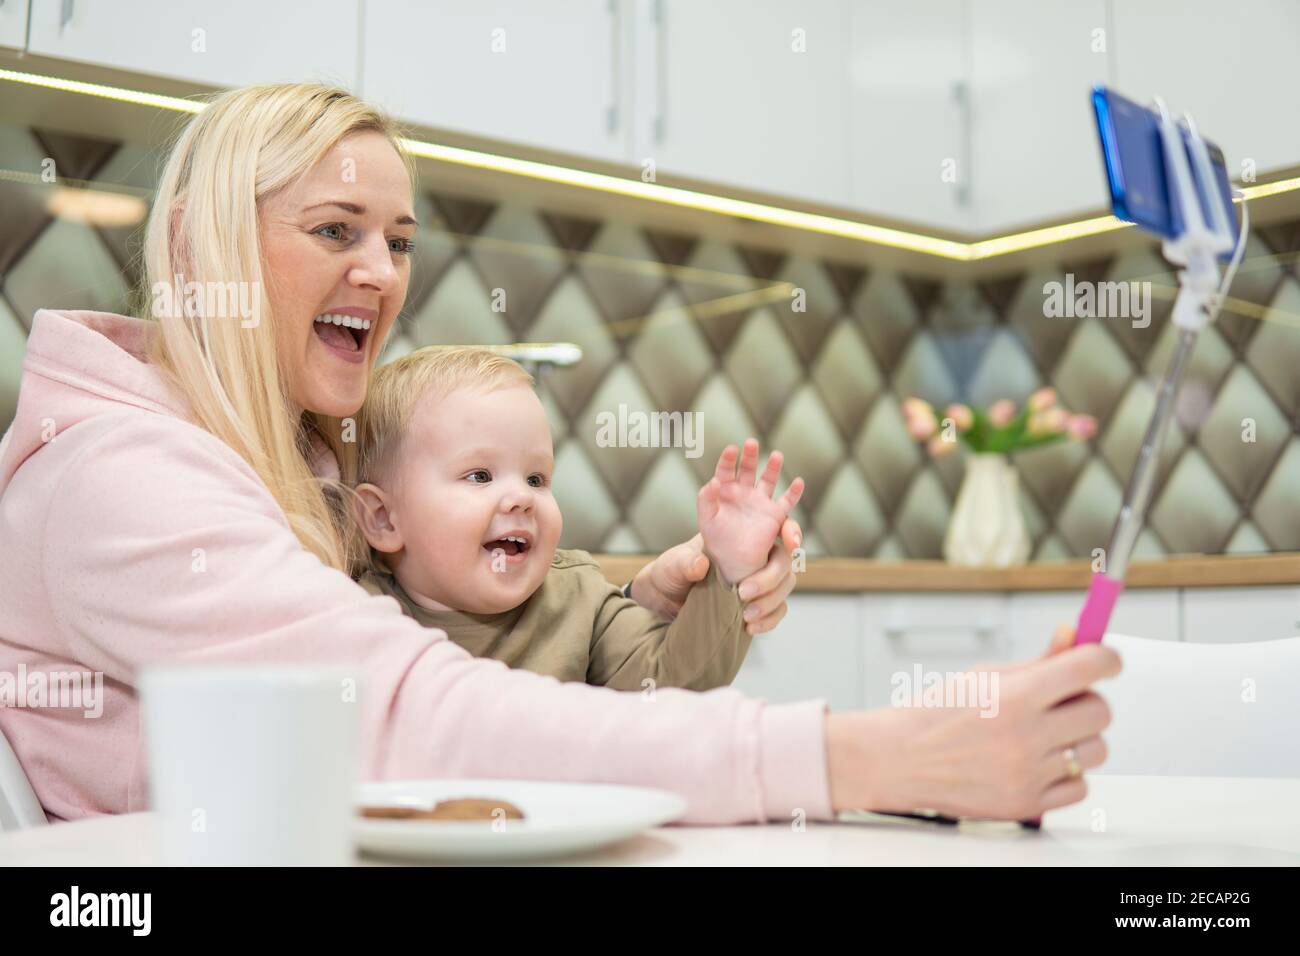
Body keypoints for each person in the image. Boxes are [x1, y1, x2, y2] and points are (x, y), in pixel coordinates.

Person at [0, 83, 1120, 826]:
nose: (385, 273)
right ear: (199, 243)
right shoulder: (121, 481)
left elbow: (435, 641)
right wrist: (867, 754)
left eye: (397, 240)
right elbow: (402, 713)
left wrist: (637, 594)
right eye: (335, 229)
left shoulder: (285, 466)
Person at [350, 344, 804, 691]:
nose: (520, 499)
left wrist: (728, 568)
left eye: (536, 478)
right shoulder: (350, 613)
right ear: (384, 519)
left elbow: (672, 689)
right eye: (480, 475)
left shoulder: (581, 600)